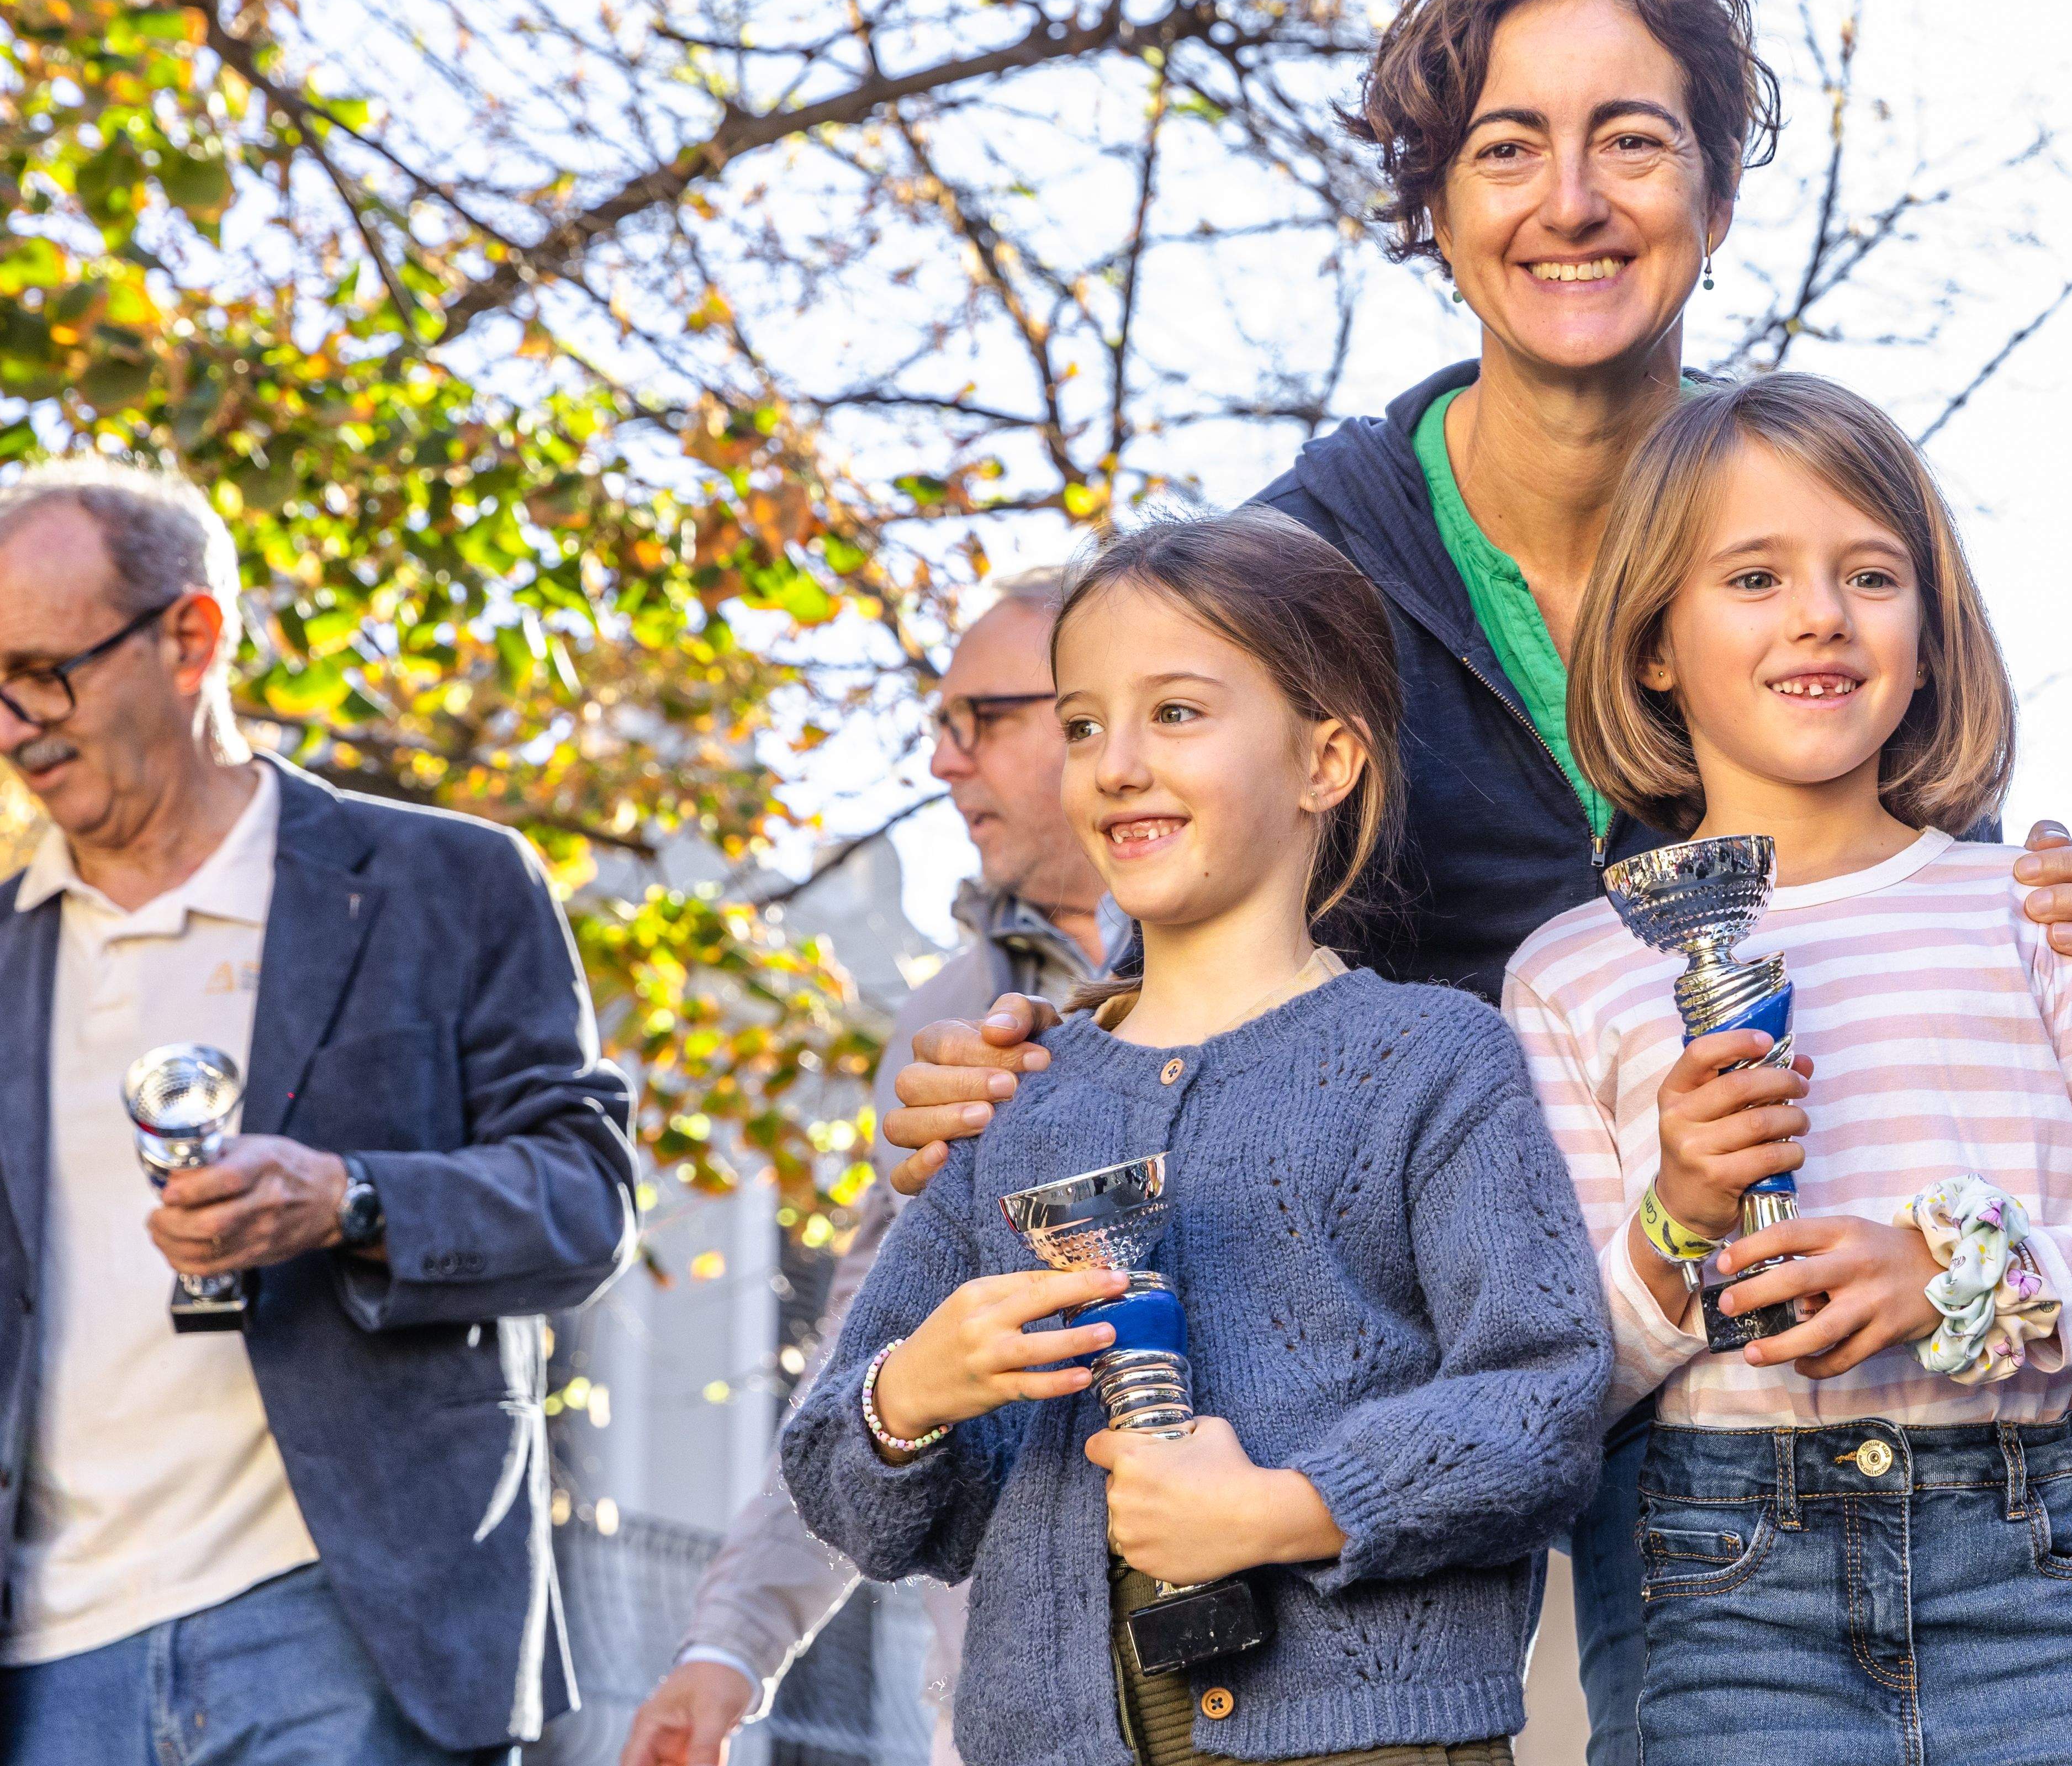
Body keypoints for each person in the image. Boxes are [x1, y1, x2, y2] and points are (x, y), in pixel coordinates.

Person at [873, 0, 2072, 1763]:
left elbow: (1908, 902)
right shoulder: (1308, 570)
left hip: (1756, 1433)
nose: (1572, 200)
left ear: (1713, 193)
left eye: (1631, 139)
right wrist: (1033, 1064)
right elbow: (1195, 948)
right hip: (1397, 1414)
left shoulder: (1797, 538)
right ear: (1436, 203)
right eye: (1507, 149)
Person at [1503, 372, 2072, 1766]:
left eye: (1870, 574)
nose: (1821, 615)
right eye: (1754, 576)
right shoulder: (1575, 970)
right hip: (1725, 1595)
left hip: (2029, 1576)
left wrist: (1955, 1275)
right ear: (1654, 642)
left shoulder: (2033, 911)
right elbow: (1561, 1381)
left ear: (1929, 635)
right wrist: (1678, 1215)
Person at [781, 508, 1610, 1766]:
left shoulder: (1436, 1061)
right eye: (1081, 725)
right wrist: (912, 1394)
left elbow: (1544, 1403)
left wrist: (1291, 1508)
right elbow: (855, 1497)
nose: (1115, 764)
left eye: (1175, 713)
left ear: (1326, 759)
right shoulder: (1013, 1107)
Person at [0, 461, 636, 1763]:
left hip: (349, 1632)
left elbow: (585, 1200)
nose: (14, 725)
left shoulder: (450, 882)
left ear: (192, 637)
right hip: (47, 1666)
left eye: (44, 674)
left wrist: (351, 1197)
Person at [622, 568, 1127, 1766]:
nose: (945, 762)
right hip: (1007, 1706)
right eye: (937, 726)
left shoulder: (1319, 963)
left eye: (980, 719)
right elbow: (867, 1362)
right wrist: (731, 1644)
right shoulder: (943, 1024)